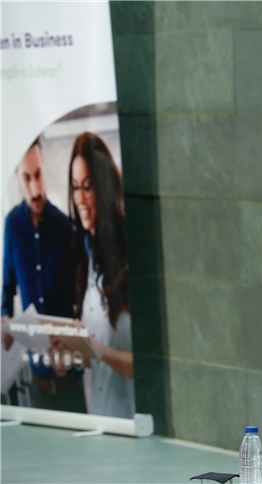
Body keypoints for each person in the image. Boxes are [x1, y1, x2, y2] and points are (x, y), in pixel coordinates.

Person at [1, 138, 84, 411]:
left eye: (38, 175)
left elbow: (80, 297)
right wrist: (5, 318)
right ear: (16, 174)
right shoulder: (12, 226)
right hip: (37, 376)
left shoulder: (66, 227)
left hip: (71, 375)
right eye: (27, 178)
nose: (35, 188)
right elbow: (8, 285)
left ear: (44, 165)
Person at [68, 132, 134, 419]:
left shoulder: (130, 254)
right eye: (74, 188)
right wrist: (75, 352)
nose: (79, 198)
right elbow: (93, 357)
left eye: (87, 187)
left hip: (133, 421)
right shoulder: (86, 257)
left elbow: (148, 366)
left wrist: (97, 350)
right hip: (100, 418)